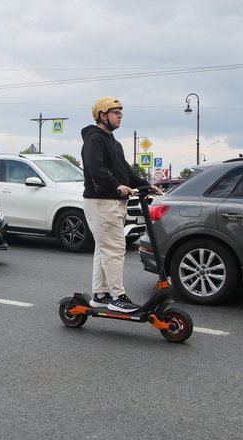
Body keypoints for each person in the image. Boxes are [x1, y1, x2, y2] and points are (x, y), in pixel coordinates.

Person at [80, 97, 162, 313]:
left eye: (120, 113)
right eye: (115, 112)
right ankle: (117, 297)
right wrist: (117, 186)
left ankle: (100, 294)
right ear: (102, 115)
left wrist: (146, 185)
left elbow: (125, 170)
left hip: (113, 203)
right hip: (101, 202)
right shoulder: (94, 139)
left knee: (103, 249)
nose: (119, 116)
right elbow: (96, 169)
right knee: (115, 250)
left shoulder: (113, 142)